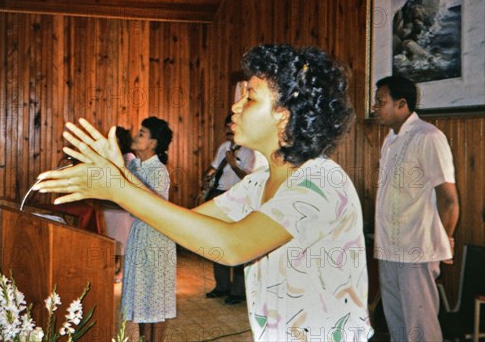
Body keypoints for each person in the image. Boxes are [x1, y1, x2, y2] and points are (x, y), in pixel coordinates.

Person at [35, 44, 373, 341]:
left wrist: (121, 188)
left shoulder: (321, 181)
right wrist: (120, 176)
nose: (237, 107)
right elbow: (186, 225)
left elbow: (231, 246)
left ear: (285, 116)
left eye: (250, 97)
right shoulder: (258, 182)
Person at [372, 75, 459, 342]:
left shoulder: (429, 136)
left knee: (420, 329)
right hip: (389, 249)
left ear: (402, 104)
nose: (375, 107)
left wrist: (444, 238)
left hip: (417, 249)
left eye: (380, 101)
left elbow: (448, 198)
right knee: (397, 325)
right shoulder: (390, 140)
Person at [121, 117, 175, 342]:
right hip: (139, 235)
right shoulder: (133, 165)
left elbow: (149, 208)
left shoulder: (158, 171)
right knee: (142, 298)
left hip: (156, 239)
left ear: (153, 143)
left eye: (142, 133)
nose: (136, 135)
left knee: (155, 299)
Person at [202, 114, 255, 305]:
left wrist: (234, 164)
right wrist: (206, 177)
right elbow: (214, 167)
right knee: (217, 242)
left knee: (236, 243)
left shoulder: (251, 151)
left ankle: (238, 291)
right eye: (227, 125)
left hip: (240, 199)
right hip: (219, 195)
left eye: (231, 124)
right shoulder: (224, 147)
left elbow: (250, 179)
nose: (228, 128)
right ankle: (221, 286)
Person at [103, 126, 136, 281]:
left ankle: (123, 271)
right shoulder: (110, 156)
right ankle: (115, 268)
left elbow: (126, 178)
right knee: (113, 238)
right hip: (109, 203)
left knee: (122, 239)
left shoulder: (128, 157)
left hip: (121, 206)